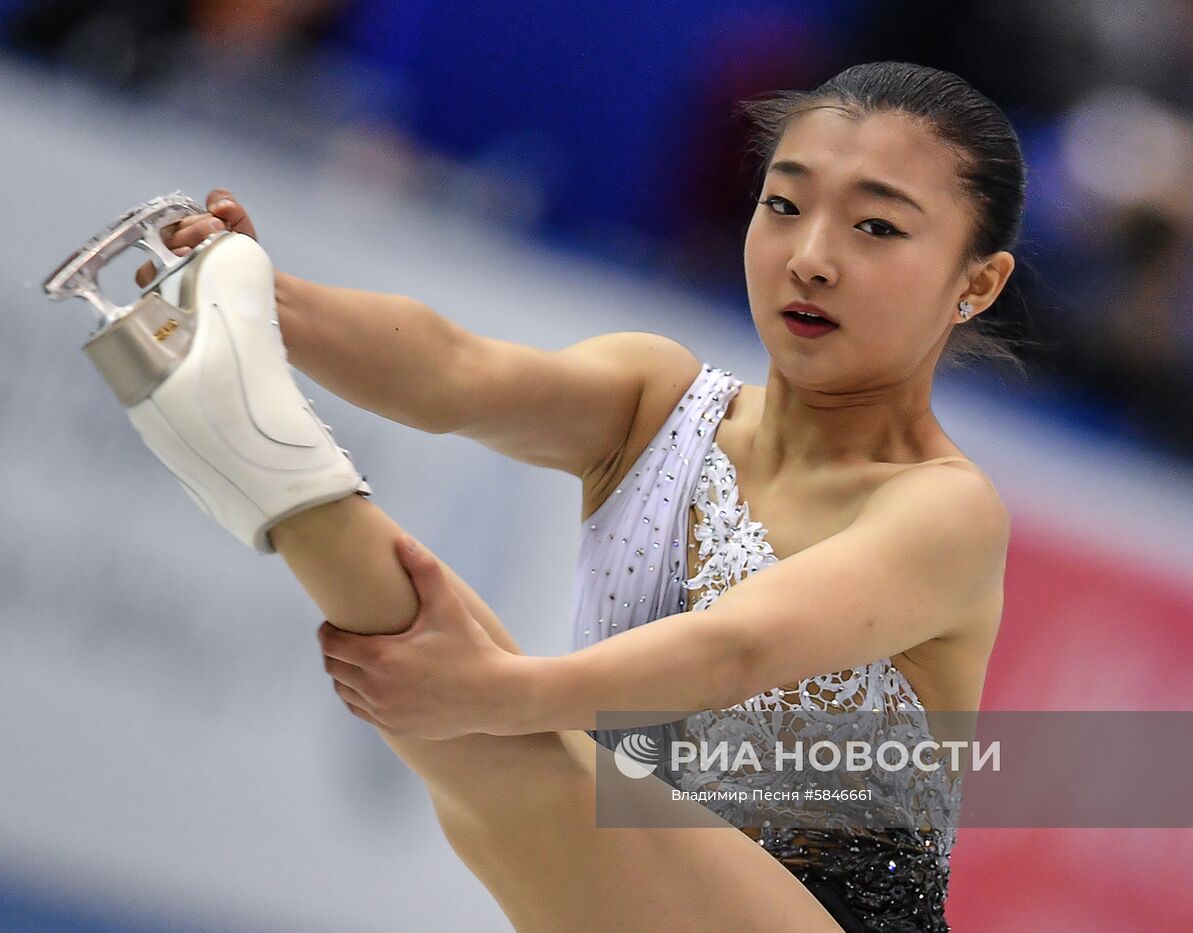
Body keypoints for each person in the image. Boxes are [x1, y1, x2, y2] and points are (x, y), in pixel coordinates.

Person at [113, 61, 1018, 932]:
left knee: (507, 737)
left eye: (878, 229)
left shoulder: (944, 510)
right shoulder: (654, 401)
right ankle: (257, 439)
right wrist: (262, 294)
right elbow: (453, 372)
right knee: (436, 659)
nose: (812, 258)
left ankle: (265, 457)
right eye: (783, 205)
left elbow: (742, 645)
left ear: (975, 283)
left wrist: (501, 693)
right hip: (613, 887)